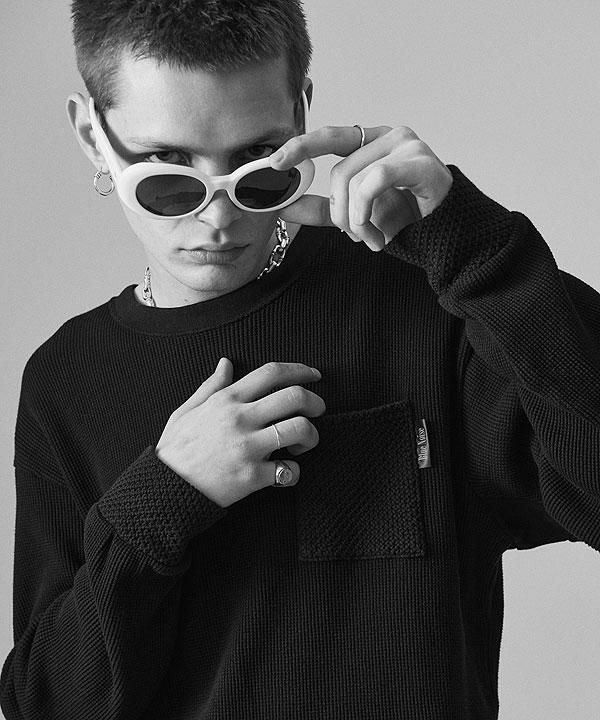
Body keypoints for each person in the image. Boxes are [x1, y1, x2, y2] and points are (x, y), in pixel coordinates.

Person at [1, 0, 599, 718]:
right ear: (93, 138)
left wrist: (475, 248)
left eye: (258, 165)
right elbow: (45, 702)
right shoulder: (68, 378)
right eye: (167, 173)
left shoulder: (424, 297)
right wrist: (165, 496)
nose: (218, 217)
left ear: (301, 114)